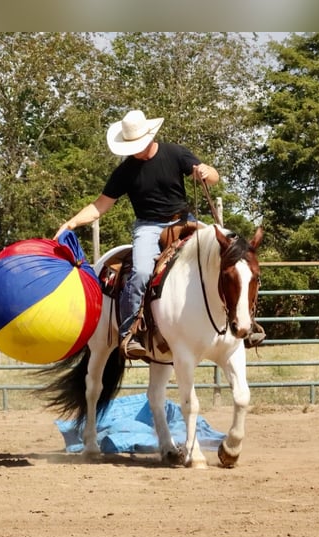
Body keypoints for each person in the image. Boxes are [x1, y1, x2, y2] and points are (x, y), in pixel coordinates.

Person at [54, 109, 264, 359]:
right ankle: (129, 333)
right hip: (148, 227)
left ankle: (248, 322)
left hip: (186, 221)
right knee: (141, 271)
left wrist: (207, 172)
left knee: (234, 256)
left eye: (137, 144)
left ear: (149, 136)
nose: (135, 150)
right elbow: (100, 206)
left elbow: (213, 177)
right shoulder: (125, 171)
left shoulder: (175, 154)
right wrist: (71, 223)